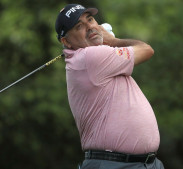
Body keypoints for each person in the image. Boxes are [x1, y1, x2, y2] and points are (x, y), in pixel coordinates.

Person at [55, 4, 164, 169]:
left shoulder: (89, 56)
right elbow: (146, 50)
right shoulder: (90, 57)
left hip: (144, 163)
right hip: (114, 163)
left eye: (90, 19)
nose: (90, 27)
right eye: (79, 26)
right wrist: (113, 41)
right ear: (66, 42)